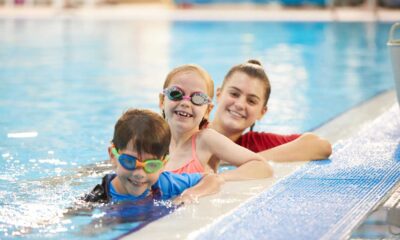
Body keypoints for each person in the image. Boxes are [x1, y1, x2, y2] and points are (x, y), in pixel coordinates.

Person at [84, 109, 222, 205]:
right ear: (112, 156)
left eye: (151, 165)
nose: (139, 174)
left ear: (163, 164)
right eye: (129, 161)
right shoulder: (99, 198)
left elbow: (212, 179)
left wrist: (191, 194)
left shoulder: (163, 185)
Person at [158, 64, 273, 180]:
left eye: (198, 98)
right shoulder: (152, 138)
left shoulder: (206, 140)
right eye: (175, 93)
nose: (185, 103)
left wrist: (217, 179)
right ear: (162, 101)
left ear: (208, 110)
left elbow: (262, 167)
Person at [209, 60, 332, 163]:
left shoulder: (254, 144)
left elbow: (321, 146)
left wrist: (247, 160)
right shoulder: (193, 129)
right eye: (234, 94)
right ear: (218, 95)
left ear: (262, 112)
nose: (240, 105)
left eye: (251, 101)